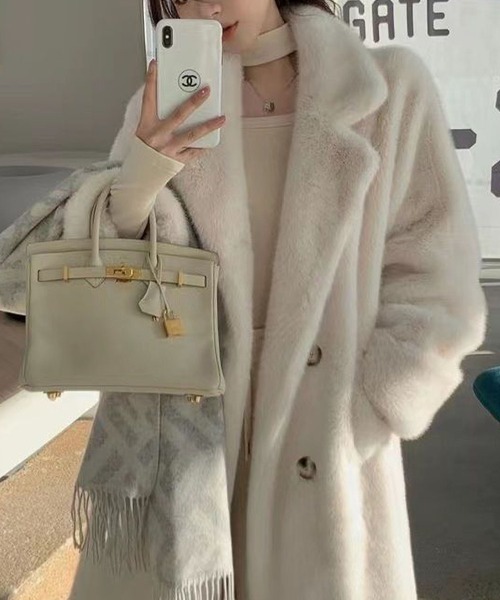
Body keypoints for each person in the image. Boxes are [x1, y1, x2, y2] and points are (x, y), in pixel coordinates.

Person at [66, 0, 489, 598]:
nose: (205, 6)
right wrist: (142, 169)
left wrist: (368, 407)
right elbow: (114, 280)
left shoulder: (388, 89)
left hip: (325, 441)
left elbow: (437, 275)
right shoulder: (159, 106)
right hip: (193, 433)